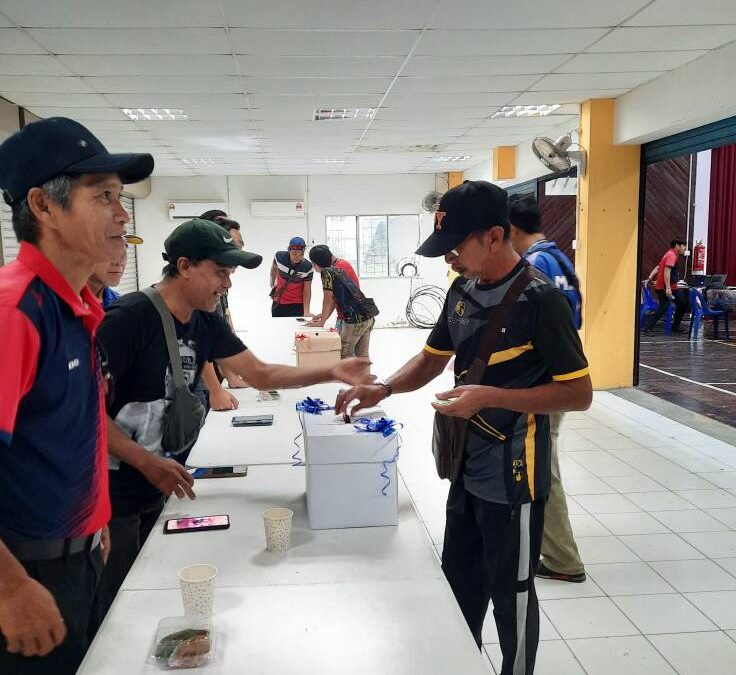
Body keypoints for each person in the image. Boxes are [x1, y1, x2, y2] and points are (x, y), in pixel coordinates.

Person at [335, 181, 592, 675]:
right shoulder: (461, 290)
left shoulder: (540, 300)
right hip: (466, 469)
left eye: (456, 247)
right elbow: (432, 359)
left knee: (512, 595)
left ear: (494, 236)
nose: (449, 259)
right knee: (460, 585)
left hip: (515, 477)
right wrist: (382, 389)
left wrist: (490, 396)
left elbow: (579, 394)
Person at [97, 218, 373, 616]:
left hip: (162, 480)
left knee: (154, 588)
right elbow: (85, 413)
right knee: (117, 602)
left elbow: (259, 373)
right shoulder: (128, 319)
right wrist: (144, 461)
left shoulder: (204, 320)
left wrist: (330, 370)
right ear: (185, 266)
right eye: (221, 273)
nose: (227, 284)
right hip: (113, 494)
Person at [0, 116, 153, 674]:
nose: (122, 213)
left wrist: (95, 521)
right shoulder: (15, 313)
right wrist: (10, 588)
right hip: (25, 576)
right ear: (43, 206)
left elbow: (67, 431)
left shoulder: (77, 309)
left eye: (120, 197)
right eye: (103, 196)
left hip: (76, 556)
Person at [508, 194, 586, 584]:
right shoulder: (558, 258)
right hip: (561, 372)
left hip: (545, 381)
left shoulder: (534, 266)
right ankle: (550, 546)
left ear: (509, 229)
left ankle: (562, 559)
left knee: (542, 470)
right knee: (542, 465)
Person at [306, 244, 375, 359]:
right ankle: (364, 372)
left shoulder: (327, 272)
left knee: (343, 355)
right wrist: (323, 315)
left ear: (316, 263)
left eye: (313, 264)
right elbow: (336, 297)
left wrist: (322, 322)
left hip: (352, 319)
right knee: (362, 356)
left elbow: (329, 299)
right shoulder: (341, 265)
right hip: (366, 316)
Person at [644, 239, 688, 333]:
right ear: (677, 246)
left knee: (682, 304)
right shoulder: (671, 255)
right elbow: (667, 270)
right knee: (664, 306)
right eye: (683, 246)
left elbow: (658, 267)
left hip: (670, 287)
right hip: (664, 287)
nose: (685, 248)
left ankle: (675, 327)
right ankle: (648, 328)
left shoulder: (669, 254)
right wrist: (668, 288)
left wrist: (650, 278)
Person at [87, 234, 143, 308]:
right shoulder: (71, 306)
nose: (119, 262)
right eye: (108, 252)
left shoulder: (119, 306)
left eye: (123, 252)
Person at [269, 236, 314, 317]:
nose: (297, 257)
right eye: (294, 253)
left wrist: (306, 311)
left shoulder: (307, 267)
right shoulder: (279, 257)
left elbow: (307, 290)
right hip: (278, 302)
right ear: (289, 250)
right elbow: (273, 269)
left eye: (301, 254)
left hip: (297, 304)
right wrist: (272, 284)